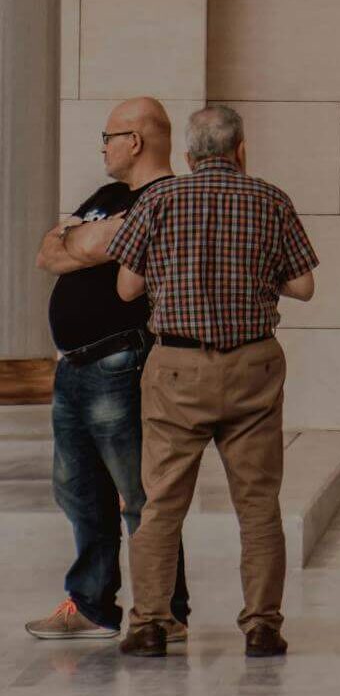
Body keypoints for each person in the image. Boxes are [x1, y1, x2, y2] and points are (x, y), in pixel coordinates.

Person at [108, 104, 318, 658]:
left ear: (188, 156)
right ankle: (263, 627)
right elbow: (303, 286)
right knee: (257, 504)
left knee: (162, 503)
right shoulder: (270, 199)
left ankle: (151, 623)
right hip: (252, 367)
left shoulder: (157, 199)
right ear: (241, 150)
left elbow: (126, 289)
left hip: (176, 369)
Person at [25, 98, 191, 643]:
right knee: (78, 490)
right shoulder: (108, 199)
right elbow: (49, 251)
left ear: (136, 141)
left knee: (140, 493)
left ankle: (165, 610)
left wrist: (82, 236)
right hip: (72, 367)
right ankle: (93, 604)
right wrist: (87, 238)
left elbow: (78, 242)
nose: (103, 146)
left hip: (122, 361)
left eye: (109, 136)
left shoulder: (167, 197)